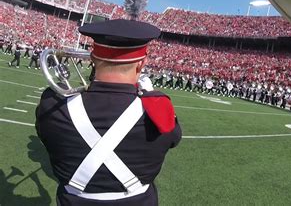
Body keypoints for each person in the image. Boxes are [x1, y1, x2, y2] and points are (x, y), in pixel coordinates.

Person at [36, 19, 182, 206]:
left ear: (93, 59)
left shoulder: (53, 103)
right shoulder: (159, 108)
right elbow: (173, 139)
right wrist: (149, 95)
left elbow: (43, 133)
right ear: (141, 64)